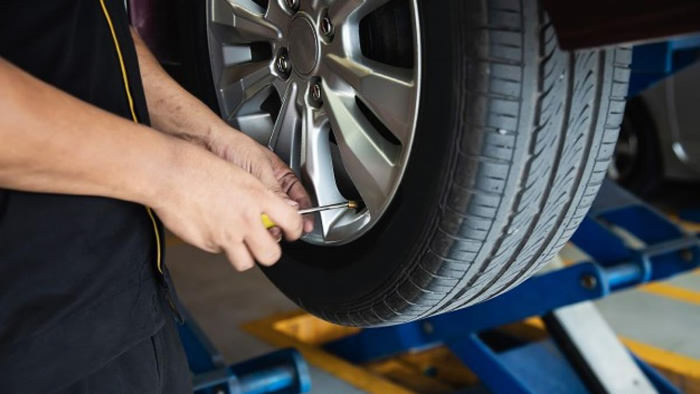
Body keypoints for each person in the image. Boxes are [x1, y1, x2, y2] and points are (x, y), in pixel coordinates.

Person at [0, 1, 314, 393]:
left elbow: (87, 28)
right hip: (30, 345)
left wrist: (205, 135)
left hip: (131, 305)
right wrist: (171, 175)